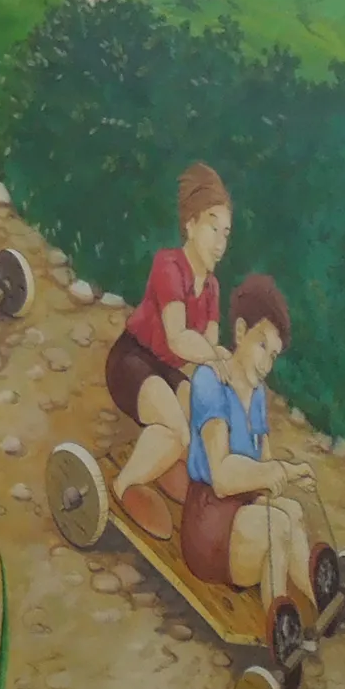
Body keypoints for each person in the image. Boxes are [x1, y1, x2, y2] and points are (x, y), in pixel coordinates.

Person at [103, 163, 234, 539]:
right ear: (190, 225)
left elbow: (205, 356)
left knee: (198, 417)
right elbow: (179, 339)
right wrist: (215, 355)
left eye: (226, 233)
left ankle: (164, 466)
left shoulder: (211, 288)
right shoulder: (168, 265)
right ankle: (125, 485)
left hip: (168, 371)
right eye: (213, 227)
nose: (221, 243)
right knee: (177, 429)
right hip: (133, 361)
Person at [181, 274, 318, 627]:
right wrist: (280, 473)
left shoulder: (256, 394)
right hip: (209, 521)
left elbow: (264, 462)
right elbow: (223, 477)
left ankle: (321, 596)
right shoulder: (210, 382)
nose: (266, 364)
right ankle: (278, 626)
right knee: (278, 526)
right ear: (241, 332)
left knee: (293, 513)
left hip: (243, 509)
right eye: (261, 346)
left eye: (273, 355)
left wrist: (284, 479)